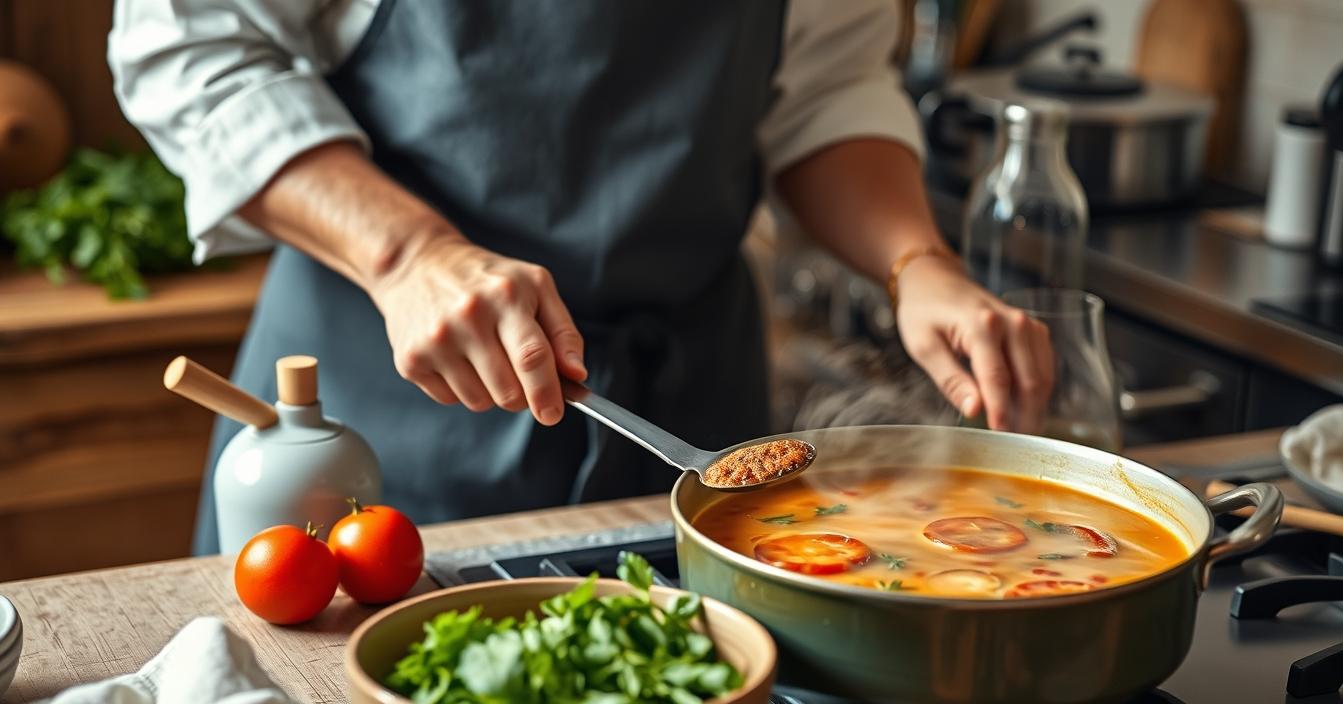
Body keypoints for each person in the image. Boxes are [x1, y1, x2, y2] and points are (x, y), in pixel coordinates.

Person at [110, 0, 1053, 553]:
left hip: (691, 406)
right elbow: (196, 46)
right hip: (379, 423)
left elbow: (824, 85)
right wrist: (409, 254)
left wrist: (917, 263)